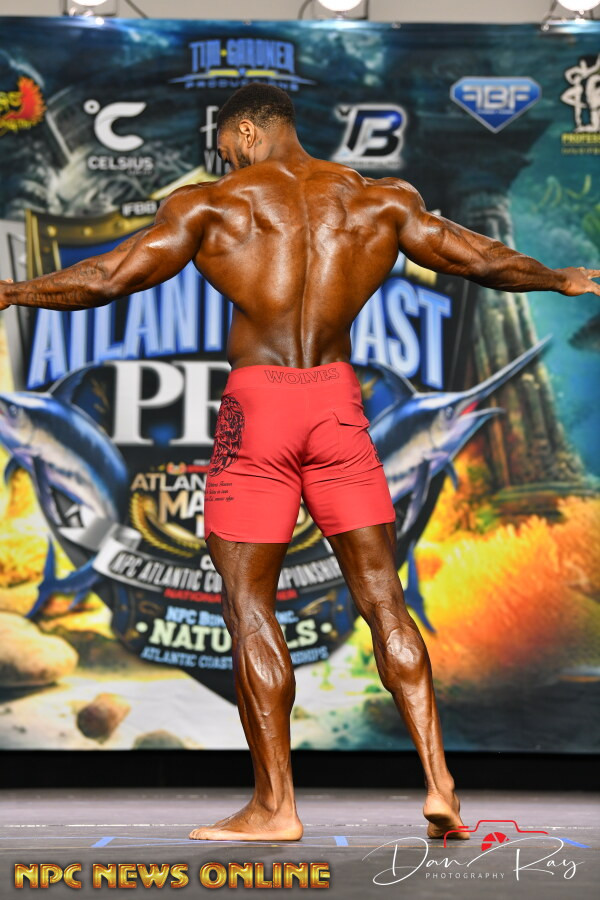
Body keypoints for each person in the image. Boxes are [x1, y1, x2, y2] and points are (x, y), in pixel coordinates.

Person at [1, 83, 598, 844]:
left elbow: (111, 278)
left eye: (226, 149)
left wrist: (14, 290)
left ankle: (276, 807)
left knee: (249, 604)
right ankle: (440, 784)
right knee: (385, 599)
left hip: (260, 411)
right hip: (338, 407)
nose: (224, 162)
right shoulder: (381, 202)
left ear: (249, 133)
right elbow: (476, 256)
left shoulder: (212, 206)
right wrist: (558, 278)